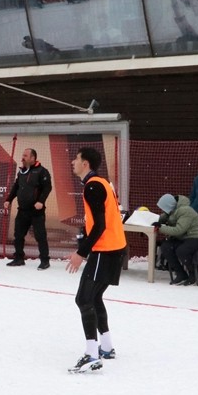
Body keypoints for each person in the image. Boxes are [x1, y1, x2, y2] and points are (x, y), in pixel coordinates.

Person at [65, 147, 127, 374]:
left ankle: (91, 355)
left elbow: (101, 225)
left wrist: (81, 253)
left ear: (86, 164)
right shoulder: (101, 183)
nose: (73, 161)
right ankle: (107, 347)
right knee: (95, 297)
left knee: (83, 299)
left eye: (77, 158)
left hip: (105, 250)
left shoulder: (93, 186)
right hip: (112, 248)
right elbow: (99, 221)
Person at [3, 147, 52, 269]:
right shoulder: (21, 172)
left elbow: (47, 188)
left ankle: (45, 260)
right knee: (18, 235)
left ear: (32, 158)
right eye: (23, 155)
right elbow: (16, 187)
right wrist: (8, 199)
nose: (22, 158)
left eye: (25, 156)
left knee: (40, 236)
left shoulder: (42, 171)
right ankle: (19, 258)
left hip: (36, 211)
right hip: (22, 210)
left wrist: (41, 201)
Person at [155, 193, 198, 286]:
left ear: (168, 206)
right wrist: (157, 220)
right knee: (166, 246)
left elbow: (178, 230)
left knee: (182, 251)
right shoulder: (173, 211)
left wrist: (161, 227)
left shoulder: (185, 211)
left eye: (163, 208)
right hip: (182, 238)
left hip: (193, 237)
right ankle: (181, 274)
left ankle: (195, 272)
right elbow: (166, 217)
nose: (162, 210)